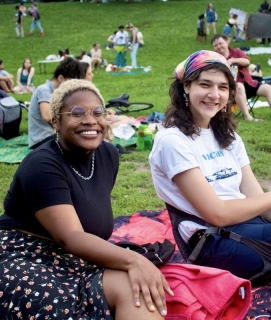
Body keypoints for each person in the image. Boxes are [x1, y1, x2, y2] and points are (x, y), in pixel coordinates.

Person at [0, 79, 172, 319]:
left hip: (75, 257)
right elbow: (71, 237)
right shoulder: (41, 165)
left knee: (138, 291)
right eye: (76, 113)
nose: (90, 120)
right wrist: (135, 261)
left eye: (98, 112)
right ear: (56, 122)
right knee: (65, 304)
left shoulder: (108, 154)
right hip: (25, 254)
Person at [149, 50, 271, 281]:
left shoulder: (226, 136)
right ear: (186, 86)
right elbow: (217, 214)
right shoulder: (173, 141)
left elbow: (261, 205)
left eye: (222, 87)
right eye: (205, 84)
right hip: (213, 241)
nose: (214, 94)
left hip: (248, 225)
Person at [212, 34, 271, 122]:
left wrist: (233, 60)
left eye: (220, 43)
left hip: (248, 83)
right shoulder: (216, 59)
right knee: (238, 86)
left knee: (267, 88)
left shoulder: (237, 52)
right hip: (230, 90)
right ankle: (247, 116)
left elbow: (247, 61)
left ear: (227, 42)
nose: (219, 46)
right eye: (216, 45)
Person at [28, 57, 85, 149]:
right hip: (42, 139)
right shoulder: (44, 90)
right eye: (71, 83)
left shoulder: (61, 93)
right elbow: (47, 116)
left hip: (54, 136)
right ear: (61, 78)